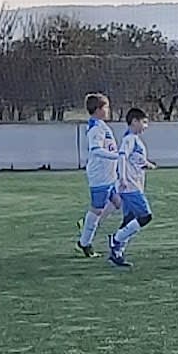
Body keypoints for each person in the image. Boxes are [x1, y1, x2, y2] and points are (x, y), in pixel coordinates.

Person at [108, 108, 155, 268]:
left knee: (129, 219)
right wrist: (122, 178)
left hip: (133, 185)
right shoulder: (129, 139)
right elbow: (122, 157)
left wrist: (147, 164)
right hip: (130, 186)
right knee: (145, 216)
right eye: (144, 122)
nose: (145, 126)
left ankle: (117, 253)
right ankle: (116, 239)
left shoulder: (134, 139)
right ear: (134, 121)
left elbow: (134, 159)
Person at [76, 92, 121, 258]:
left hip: (109, 175)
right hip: (100, 176)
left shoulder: (101, 125)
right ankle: (84, 243)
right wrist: (117, 156)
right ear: (98, 109)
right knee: (97, 209)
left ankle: (88, 226)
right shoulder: (95, 129)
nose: (108, 110)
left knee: (118, 202)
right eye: (106, 107)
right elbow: (96, 150)